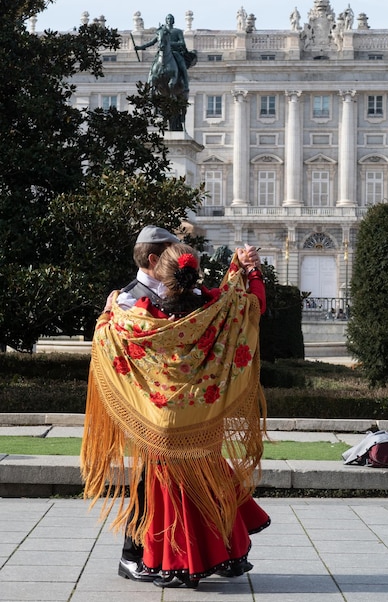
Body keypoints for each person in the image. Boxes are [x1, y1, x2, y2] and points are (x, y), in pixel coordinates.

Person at [81, 241, 270, 589]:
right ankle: (211, 557)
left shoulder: (138, 314)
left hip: (160, 423)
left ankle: (172, 563)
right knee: (206, 490)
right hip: (200, 418)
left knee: (168, 500)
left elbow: (105, 337)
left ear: (160, 272)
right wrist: (248, 269)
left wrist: (107, 314)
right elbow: (252, 303)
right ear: (193, 275)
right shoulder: (212, 308)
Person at [106, 224, 180, 583]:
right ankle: (131, 554)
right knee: (148, 480)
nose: (180, 260)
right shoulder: (128, 299)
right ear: (154, 259)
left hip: (176, 407)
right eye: (172, 254)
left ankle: (172, 554)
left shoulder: (177, 292)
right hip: (148, 407)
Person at [135, 14, 196, 93]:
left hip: (175, 52)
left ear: (173, 21)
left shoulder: (177, 31)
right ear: (166, 20)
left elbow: (182, 43)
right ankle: (149, 83)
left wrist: (170, 44)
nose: (169, 20)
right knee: (153, 66)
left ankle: (186, 85)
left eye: (171, 19)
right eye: (167, 19)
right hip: (162, 52)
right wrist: (140, 47)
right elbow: (152, 42)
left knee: (182, 66)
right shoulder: (161, 32)